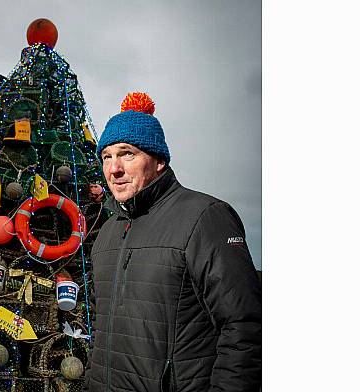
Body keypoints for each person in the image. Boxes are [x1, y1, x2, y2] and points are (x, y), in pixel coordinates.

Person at [85, 92, 261, 392]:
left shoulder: (205, 218)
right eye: (107, 156)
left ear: (159, 161)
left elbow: (244, 327)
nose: (114, 169)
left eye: (127, 153)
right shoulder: (106, 234)